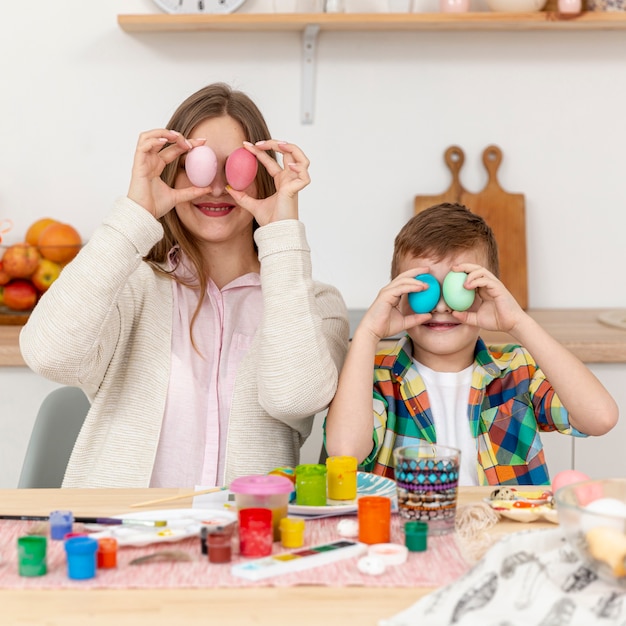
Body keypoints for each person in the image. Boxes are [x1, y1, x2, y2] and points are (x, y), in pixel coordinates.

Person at [20, 83, 349, 488]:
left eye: (237, 168)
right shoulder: (132, 286)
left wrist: (282, 231)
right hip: (118, 538)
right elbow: (48, 354)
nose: (216, 188)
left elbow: (294, 397)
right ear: (171, 169)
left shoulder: (314, 304)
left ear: (265, 177)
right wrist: (136, 213)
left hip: (247, 541)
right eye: (201, 163)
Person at [324, 202, 618, 486]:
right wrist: (367, 334)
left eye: (458, 287)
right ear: (398, 294)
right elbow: (345, 453)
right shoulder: (374, 377)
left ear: (486, 292)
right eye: (423, 288)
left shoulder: (515, 371)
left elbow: (600, 418)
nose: (440, 306)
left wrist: (518, 323)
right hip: (411, 534)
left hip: (501, 532)